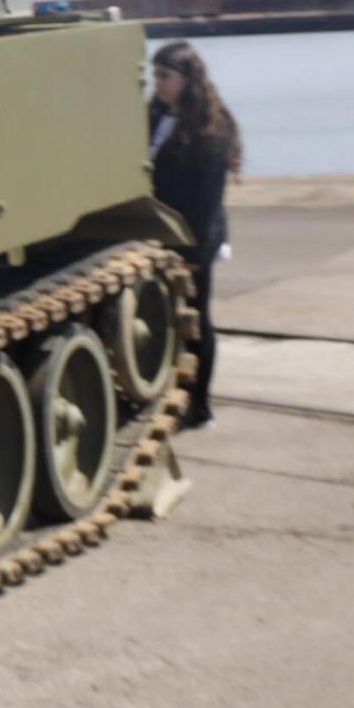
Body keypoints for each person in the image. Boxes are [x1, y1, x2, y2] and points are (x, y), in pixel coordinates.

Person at [148, 40, 243, 429]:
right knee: (166, 320)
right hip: (158, 234)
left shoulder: (211, 126)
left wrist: (193, 251)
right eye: (155, 75)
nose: (158, 83)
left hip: (193, 238)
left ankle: (200, 406)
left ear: (188, 80)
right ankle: (173, 394)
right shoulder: (156, 114)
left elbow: (207, 200)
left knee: (198, 320)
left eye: (165, 76)